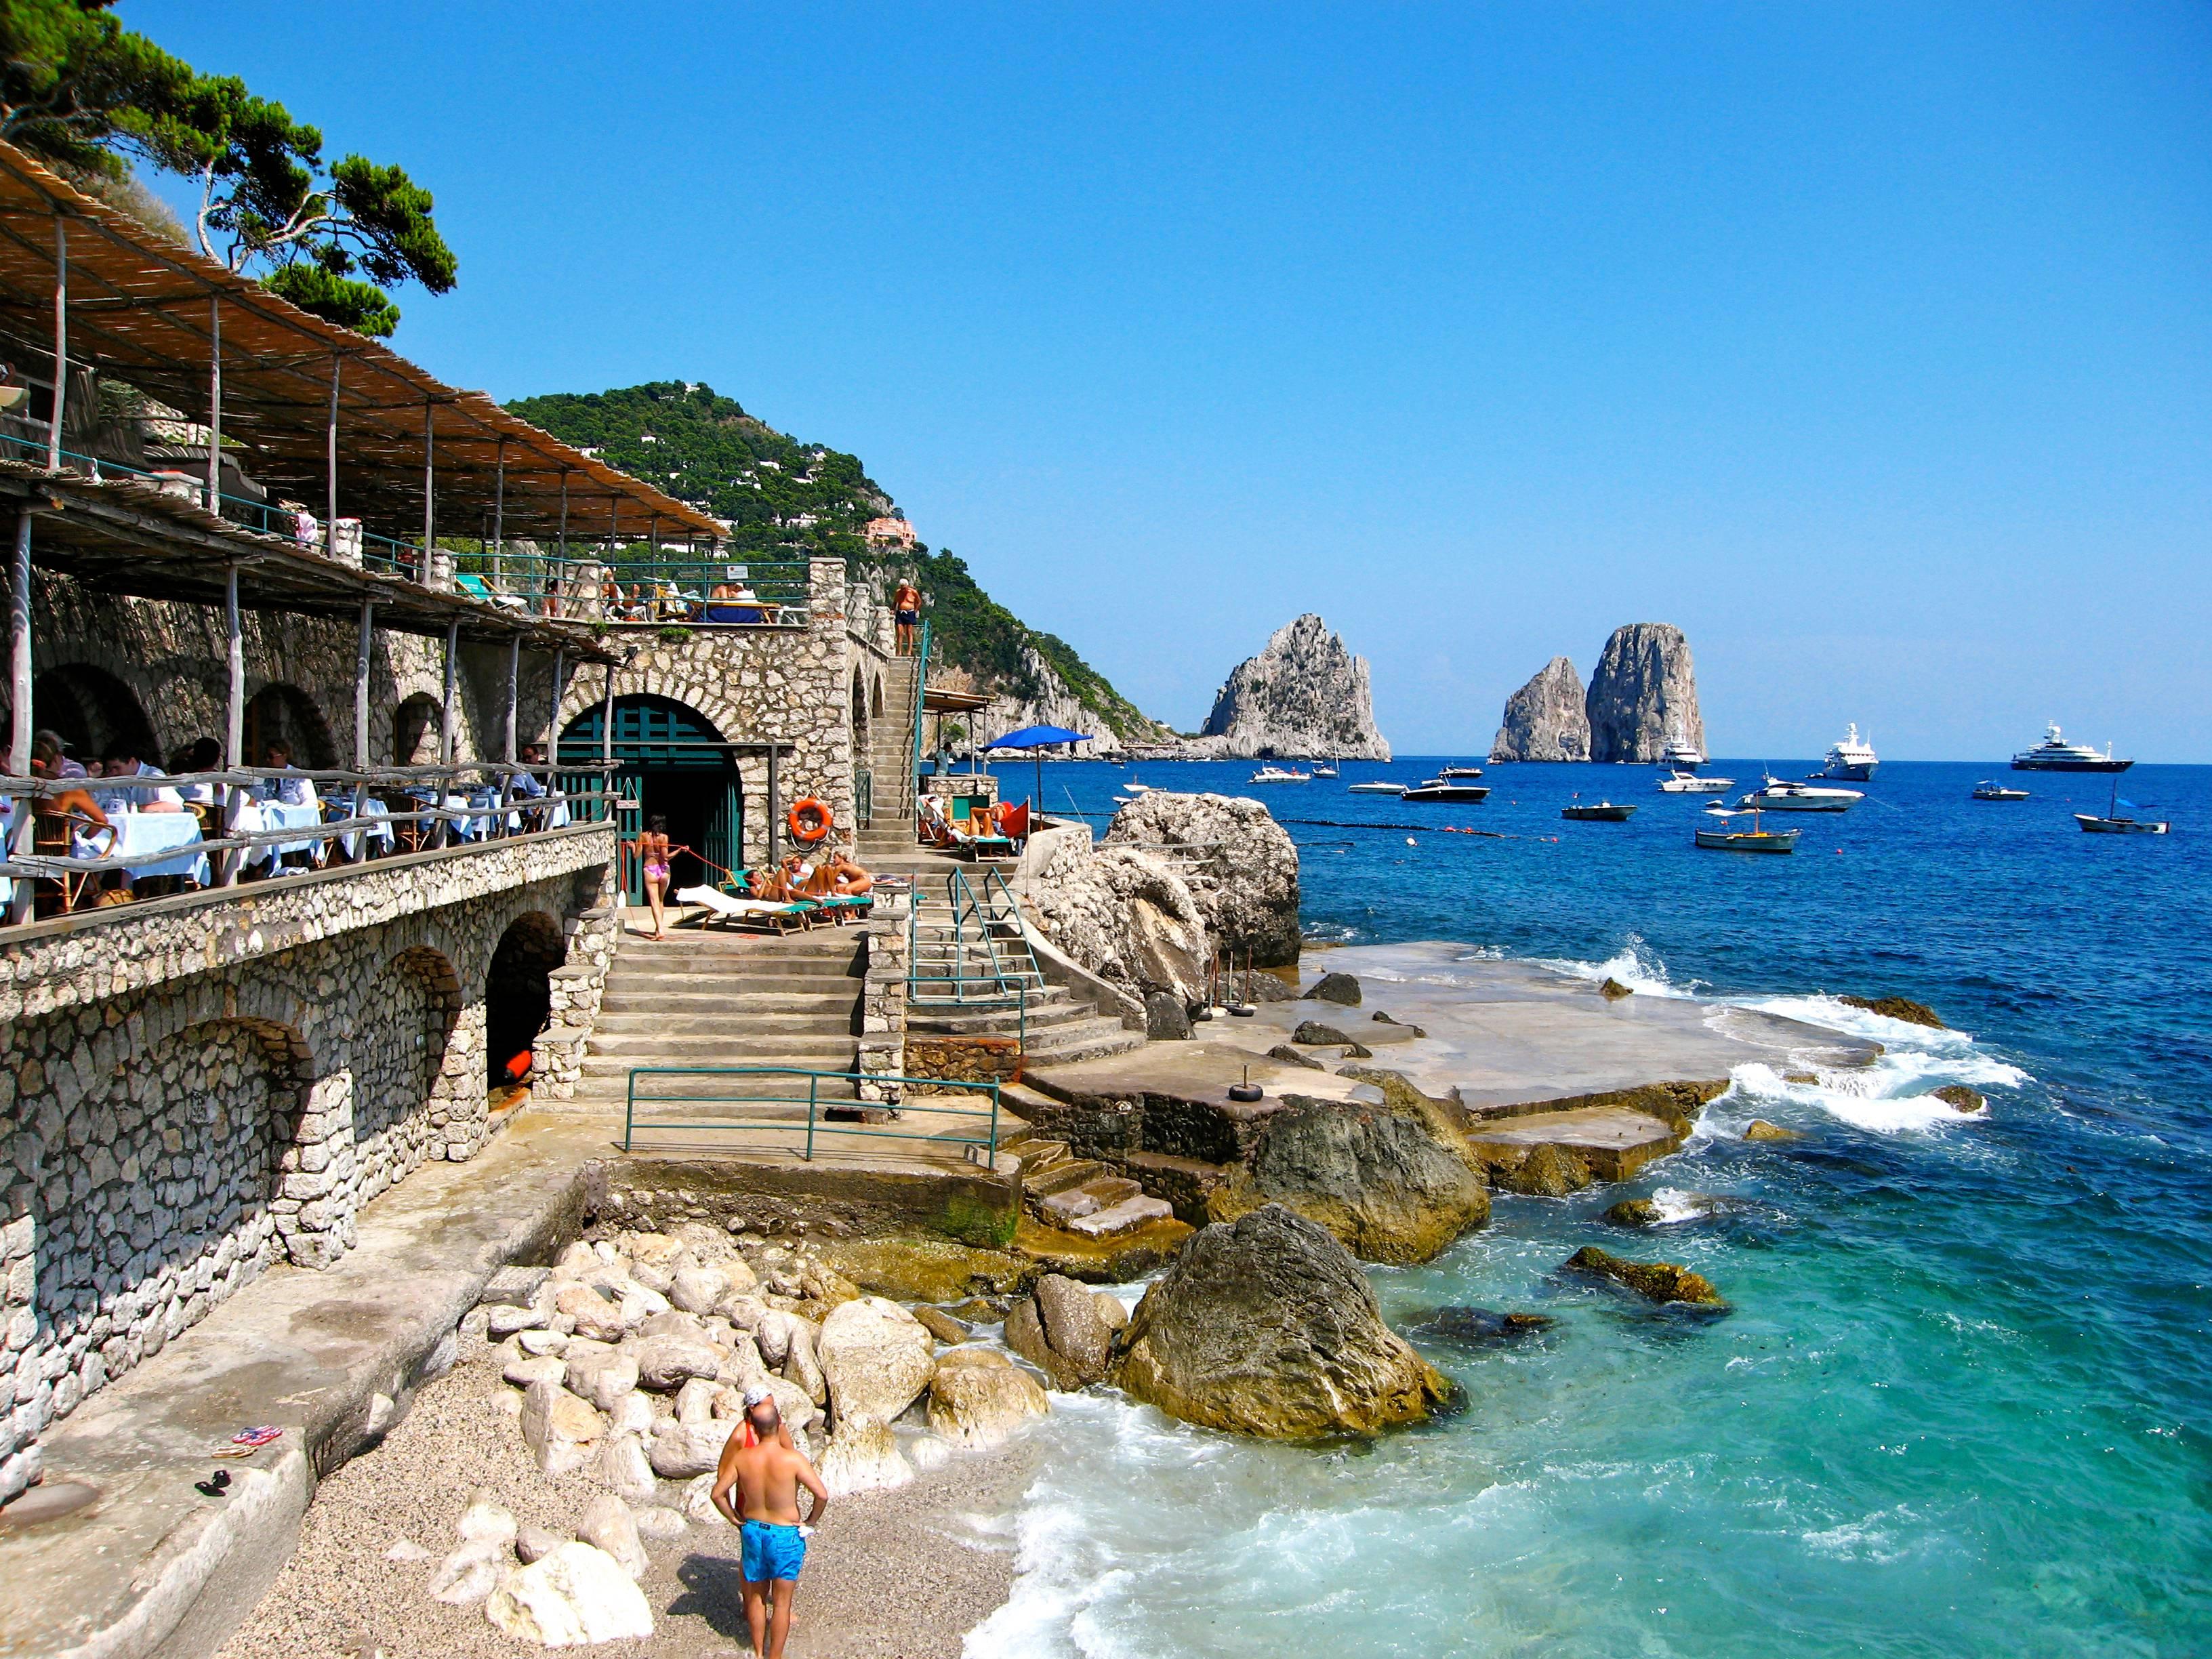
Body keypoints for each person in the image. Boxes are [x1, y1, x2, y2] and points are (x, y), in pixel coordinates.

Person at [711, 1387, 827, 1659]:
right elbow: (821, 1494)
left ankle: (759, 1654)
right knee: (783, 1604)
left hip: (752, 1529)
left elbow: (717, 1493)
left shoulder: (742, 1457)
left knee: (755, 1597)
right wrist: (810, 1521)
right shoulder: (793, 1458)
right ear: (780, 1424)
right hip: (785, 1534)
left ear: (754, 1425)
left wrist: (734, 1519)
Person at [93, 741, 186, 816]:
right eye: (110, 769)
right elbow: (98, 806)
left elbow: (175, 806)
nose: (113, 773)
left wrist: (135, 809)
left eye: (117, 768)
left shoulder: (153, 775)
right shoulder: (113, 778)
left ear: (132, 762)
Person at [634, 814, 685, 939]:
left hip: (650, 870)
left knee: (654, 902)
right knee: (661, 901)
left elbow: (636, 856)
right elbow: (666, 857)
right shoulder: (664, 838)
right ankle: (659, 929)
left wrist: (632, 848)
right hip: (663, 870)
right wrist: (679, 850)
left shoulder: (642, 836)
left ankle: (660, 929)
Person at [253, 739, 319, 810]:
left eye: (271, 756)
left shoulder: (300, 777)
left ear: (284, 756)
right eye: (266, 756)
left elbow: (311, 803)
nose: (267, 760)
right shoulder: (266, 778)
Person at [893, 578, 922, 655]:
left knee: (909, 632)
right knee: (900, 632)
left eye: (904, 588)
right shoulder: (898, 592)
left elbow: (919, 602)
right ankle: (899, 651)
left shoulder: (913, 592)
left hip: (910, 613)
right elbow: (895, 602)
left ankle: (909, 651)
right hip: (900, 613)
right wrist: (893, 609)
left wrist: (915, 611)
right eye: (902, 588)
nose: (903, 589)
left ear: (907, 586)